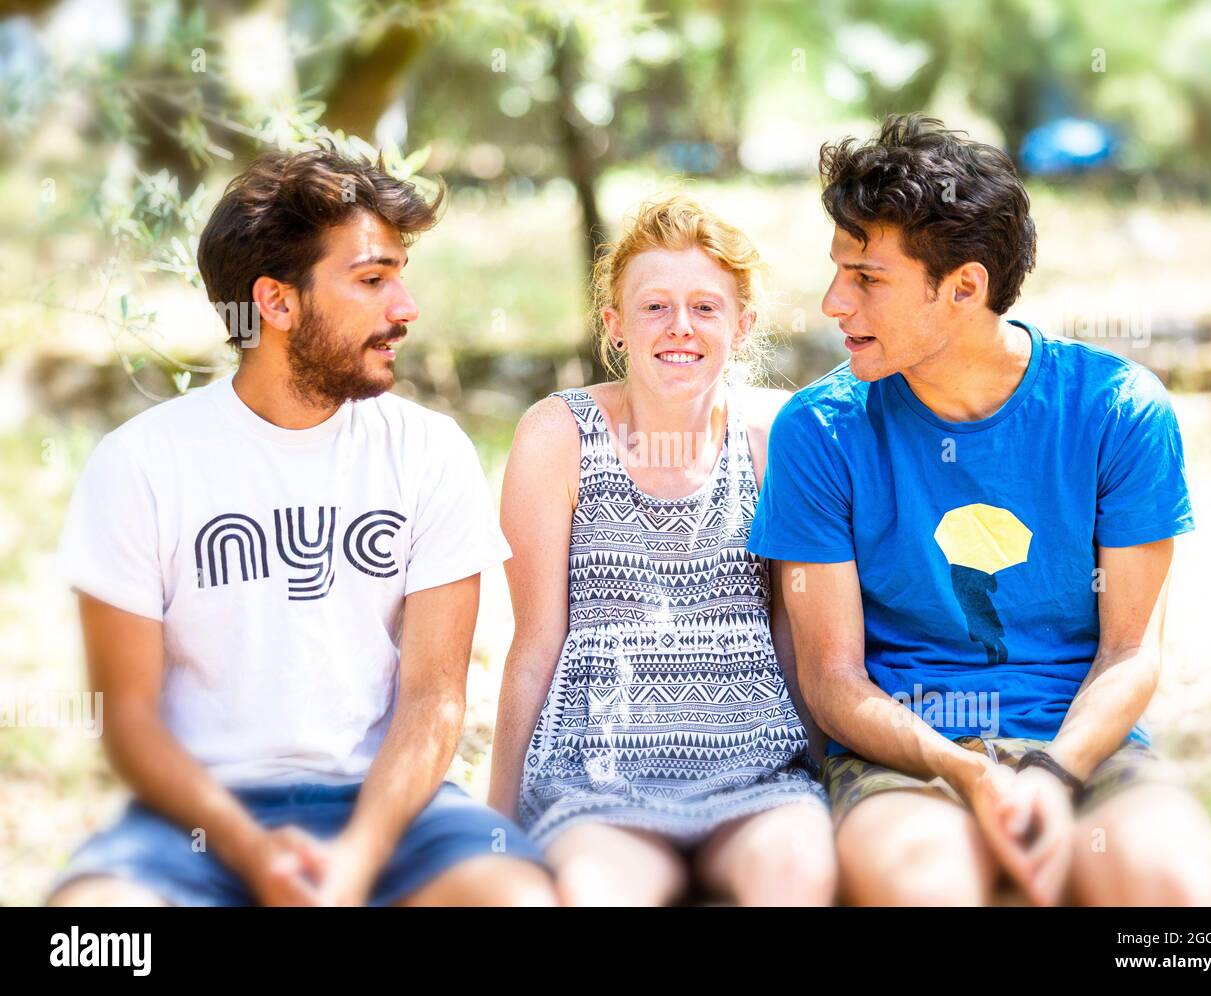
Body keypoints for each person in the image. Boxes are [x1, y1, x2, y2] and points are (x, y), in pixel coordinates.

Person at [47, 144, 555, 907]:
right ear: (277, 304)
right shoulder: (140, 464)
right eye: (373, 280)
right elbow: (128, 717)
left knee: (515, 901)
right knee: (90, 932)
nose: (406, 308)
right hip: (194, 820)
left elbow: (433, 700)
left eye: (400, 277)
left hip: (386, 809)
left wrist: (357, 860)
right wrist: (253, 853)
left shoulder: (429, 452)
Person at [749, 115, 1211, 906]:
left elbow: (1131, 653)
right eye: (839, 270)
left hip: (1085, 745)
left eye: (868, 278)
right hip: (903, 760)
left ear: (964, 287)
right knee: (929, 891)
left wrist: (1051, 771)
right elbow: (831, 679)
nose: (834, 301)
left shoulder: (1118, 410)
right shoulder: (821, 430)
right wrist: (967, 771)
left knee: (1168, 892)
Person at [489, 195, 834, 906]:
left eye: (706, 307)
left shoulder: (773, 433)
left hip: (757, 775)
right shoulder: (559, 437)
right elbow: (533, 644)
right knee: (593, 892)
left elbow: (793, 635)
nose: (680, 327)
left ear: (743, 326)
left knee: (798, 880)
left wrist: (823, 770)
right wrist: (495, 824)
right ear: (614, 326)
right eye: (654, 307)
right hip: (600, 779)